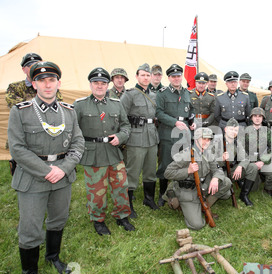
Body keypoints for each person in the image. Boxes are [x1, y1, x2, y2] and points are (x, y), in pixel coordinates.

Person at [8, 61, 84, 274]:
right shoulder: (20, 111)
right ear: (34, 83)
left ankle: (53, 257)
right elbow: (17, 149)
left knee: (58, 219)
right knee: (30, 228)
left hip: (62, 175)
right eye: (42, 80)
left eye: (52, 80)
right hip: (33, 178)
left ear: (58, 83)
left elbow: (78, 143)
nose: (47, 84)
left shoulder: (69, 111)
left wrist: (63, 168)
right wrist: (46, 171)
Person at [74, 67, 135, 235]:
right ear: (90, 84)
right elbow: (73, 130)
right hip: (93, 154)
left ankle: (122, 215)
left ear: (108, 85)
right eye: (96, 83)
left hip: (114, 152)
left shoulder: (116, 104)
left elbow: (126, 125)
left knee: (121, 186)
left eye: (103, 83)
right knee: (96, 190)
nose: (99, 86)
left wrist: (121, 137)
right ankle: (98, 220)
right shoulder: (79, 105)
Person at [164, 127, 231, 230]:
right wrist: (187, 171)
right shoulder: (186, 154)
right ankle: (179, 203)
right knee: (197, 225)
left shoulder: (208, 153)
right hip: (187, 191)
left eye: (209, 139)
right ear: (196, 140)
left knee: (226, 182)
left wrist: (215, 179)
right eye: (204, 139)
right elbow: (167, 173)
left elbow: (218, 169)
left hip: (201, 186)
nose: (206, 142)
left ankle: (203, 206)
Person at [120, 63, 160, 211]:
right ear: (137, 76)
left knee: (150, 171)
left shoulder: (154, 95)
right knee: (133, 172)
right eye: (143, 75)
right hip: (136, 138)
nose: (145, 77)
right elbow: (121, 117)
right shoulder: (129, 95)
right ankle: (127, 205)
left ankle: (148, 199)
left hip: (152, 137)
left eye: (148, 75)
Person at [156, 64, 195, 207]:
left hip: (184, 134)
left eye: (178, 76)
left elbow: (191, 109)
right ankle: (162, 194)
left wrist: (192, 121)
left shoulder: (186, 92)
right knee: (165, 164)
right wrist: (174, 122)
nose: (176, 78)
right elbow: (159, 113)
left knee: (182, 162)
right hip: (168, 133)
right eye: (173, 76)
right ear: (169, 78)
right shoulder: (162, 93)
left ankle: (178, 190)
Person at [244, 107, 272, 198]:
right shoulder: (245, 131)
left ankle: (268, 188)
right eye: (255, 116)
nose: (257, 118)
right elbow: (242, 150)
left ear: (262, 118)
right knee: (253, 188)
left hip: (263, 160)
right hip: (251, 162)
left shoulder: (268, 132)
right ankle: (257, 178)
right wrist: (252, 162)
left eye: (260, 116)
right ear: (251, 118)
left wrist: (263, 161)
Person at [221, 118, 256, 206]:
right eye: (231, 129)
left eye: (235, 130)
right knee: (226, 194)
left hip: (232, 170)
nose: (233, 132)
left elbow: (246, 158)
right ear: (225, 129)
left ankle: (244, 195)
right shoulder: (217, 142)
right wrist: (221, 159)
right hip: (220, 172)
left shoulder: (237, 143)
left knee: (253, 167)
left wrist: (240, 166)